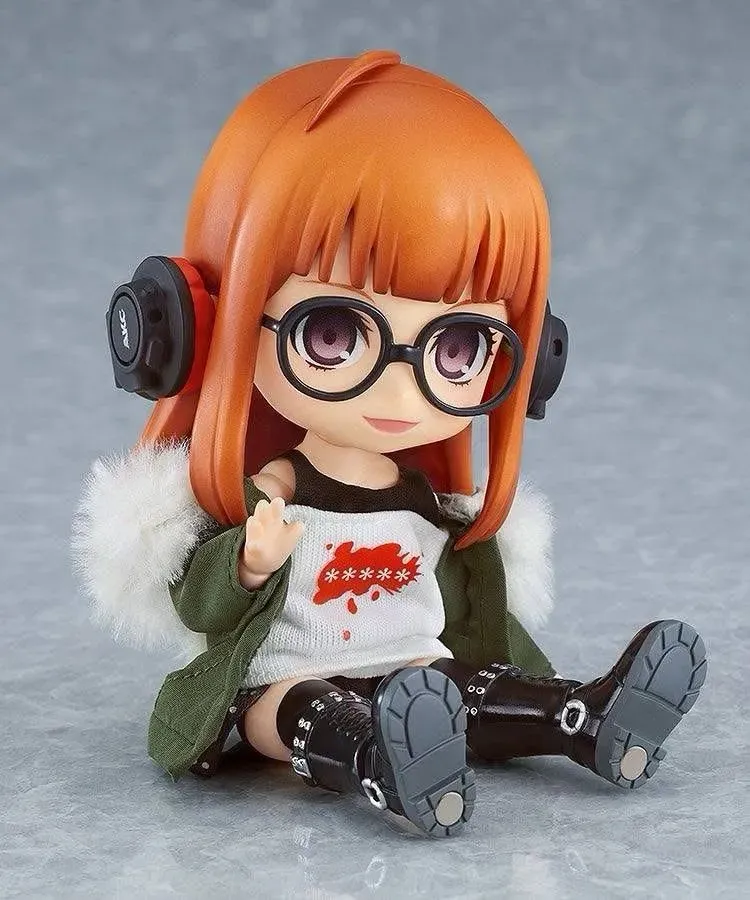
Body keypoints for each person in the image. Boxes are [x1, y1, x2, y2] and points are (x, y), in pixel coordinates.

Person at [73, 50, 707, 837]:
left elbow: (476, 614)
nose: (403, 393)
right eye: (335, 335)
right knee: (296, 706)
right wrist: (248, 562)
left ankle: (579, 719)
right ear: (205, 325)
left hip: (410, 663)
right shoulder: (277, 487)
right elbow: (200, 601)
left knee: (462, 688)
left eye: (457, 350)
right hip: (291, 666)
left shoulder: (424, 505)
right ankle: (376, 761)